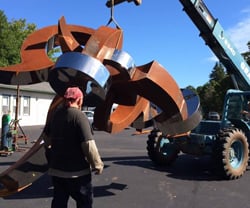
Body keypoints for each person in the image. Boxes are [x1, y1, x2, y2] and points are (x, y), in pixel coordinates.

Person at [45, 87, 104, 208]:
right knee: (84, 203)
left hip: (57, 172)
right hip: (78, 174)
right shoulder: (79, 116)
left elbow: (46, 139)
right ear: (79, 100)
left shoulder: (56, 115)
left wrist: (51, 157)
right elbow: (88, 144)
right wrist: (97, 165)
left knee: (59, 203)